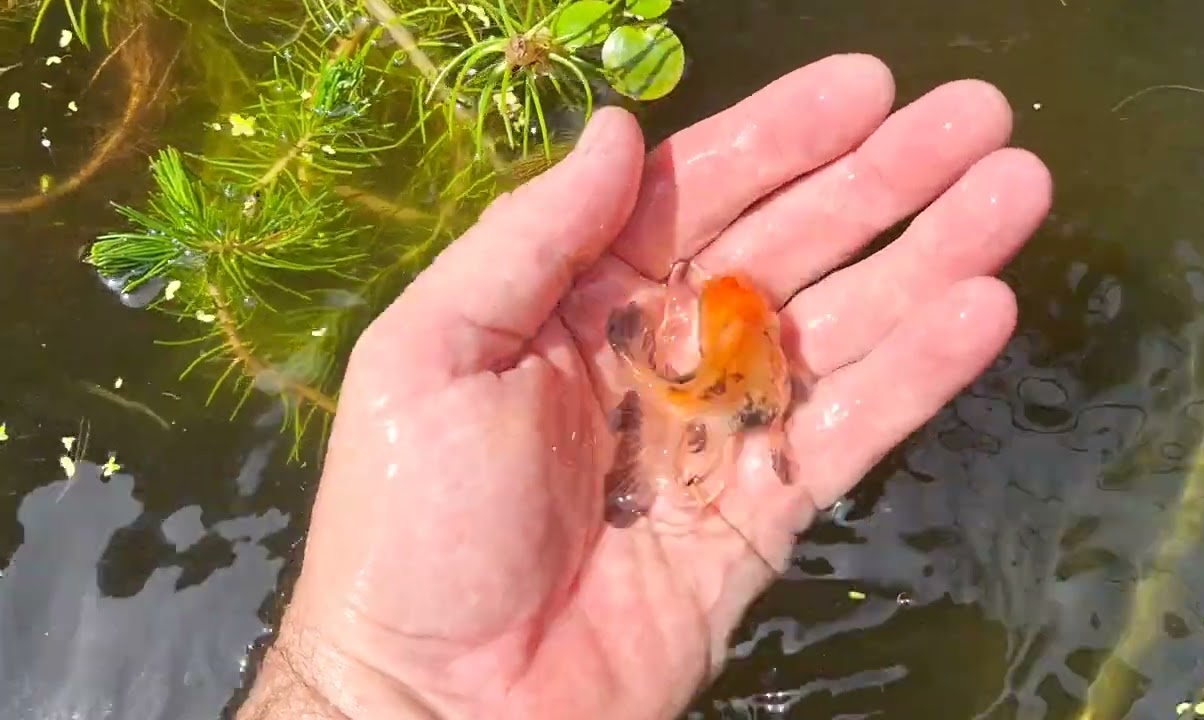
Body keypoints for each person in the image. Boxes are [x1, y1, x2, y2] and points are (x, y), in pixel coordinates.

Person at [233, 53, 1051, 720]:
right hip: (703, 388)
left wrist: (367, 690)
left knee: (698, 406)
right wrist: (379, 682)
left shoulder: (722, 357)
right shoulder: (714, 355)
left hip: (709, 385)